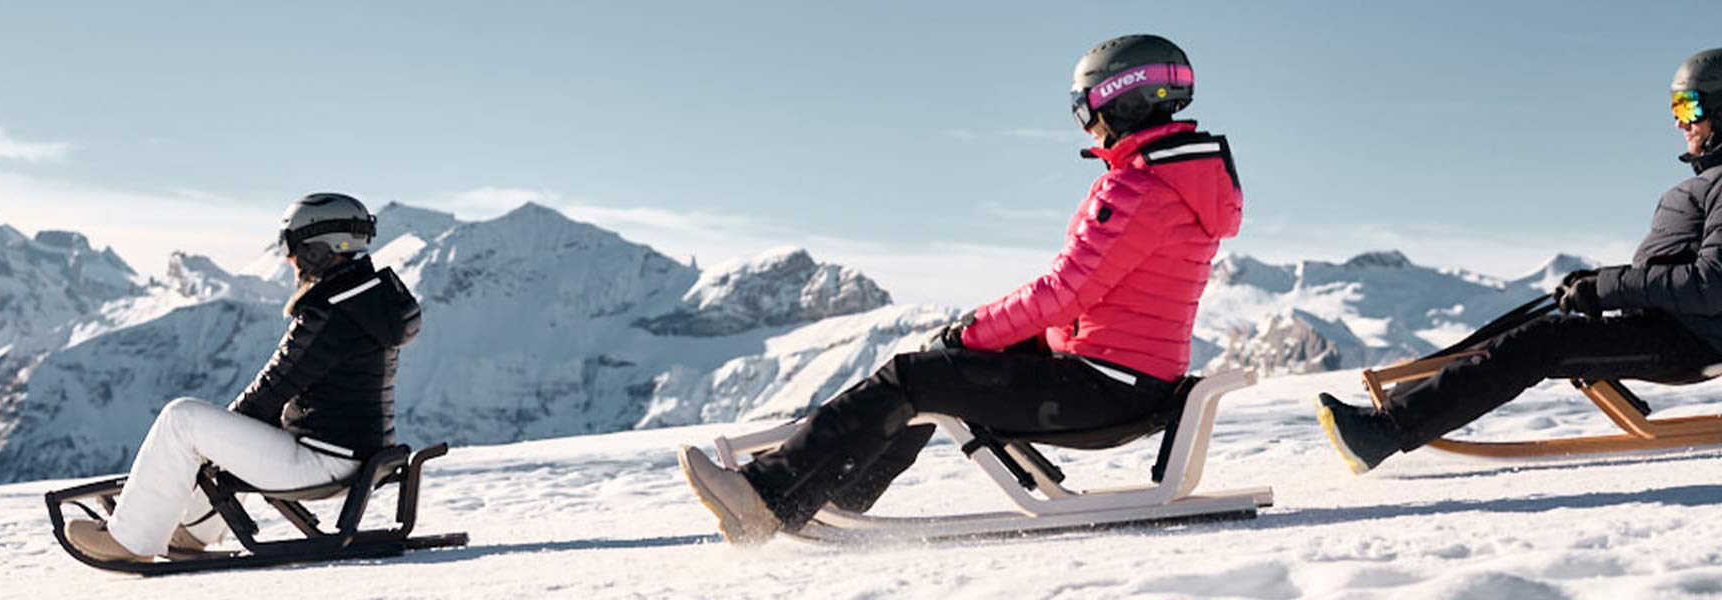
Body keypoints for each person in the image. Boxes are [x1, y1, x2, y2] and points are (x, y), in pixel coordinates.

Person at [677, 34, 1245, 545]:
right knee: (934, 368)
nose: (1086, 125)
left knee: (912, 377)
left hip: (1104, 390)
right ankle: (833, 493)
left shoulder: (1136, 189)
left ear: (1120, 101)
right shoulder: (1178, 183)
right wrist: (974, 342)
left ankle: (765, 498)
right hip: (1129, 380)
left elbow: (1063, 293)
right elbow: (1098, 300)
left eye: (1084, 108)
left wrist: (969, 332)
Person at [1317, 49, 1722, 474]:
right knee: (1517, 330)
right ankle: (1389, 412)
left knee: (1543, 342)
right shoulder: (1707, 184)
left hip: (1692, 340)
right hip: (1670, 326)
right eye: (1675, 108)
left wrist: (1607, 287)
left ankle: (1385, 431)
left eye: (1688, 106)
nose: (1679, 122)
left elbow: (1711, 285)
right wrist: (1597, 283)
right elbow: (1678, 267)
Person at [65, 193, 422, 561]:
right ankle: (191, 532)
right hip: (358, 458)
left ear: (317, 248)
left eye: (291, 246)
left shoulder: (328, 313)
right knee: (226, 433)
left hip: (323, 463)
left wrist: (214, 441)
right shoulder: (364, 304)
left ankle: (131, 541)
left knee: (182, 419)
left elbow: (270, 391)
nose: (288, 259)